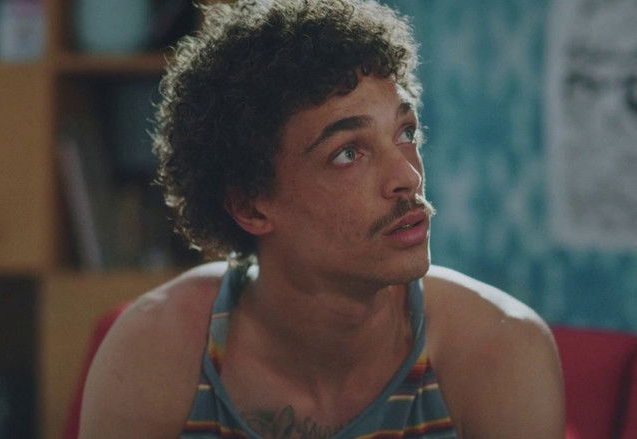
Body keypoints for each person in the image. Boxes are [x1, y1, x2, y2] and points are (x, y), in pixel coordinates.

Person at [79, 0, 565, 437]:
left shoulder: (499, 347)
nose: (408, 177)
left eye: (405, 133)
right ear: (251, 206)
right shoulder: (156, 348)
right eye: (348, 153)